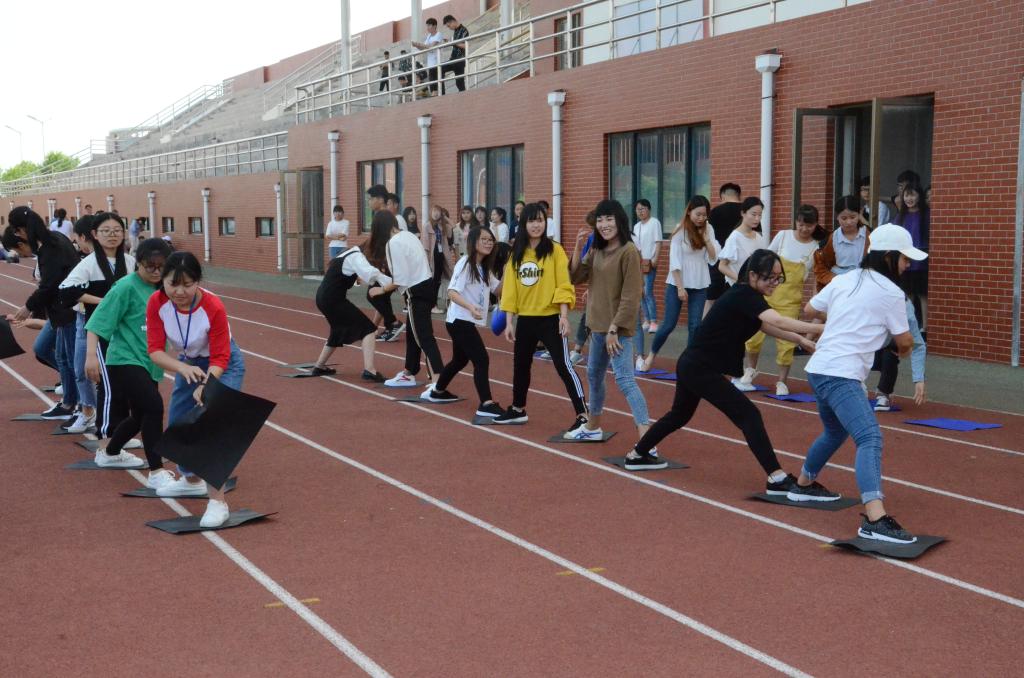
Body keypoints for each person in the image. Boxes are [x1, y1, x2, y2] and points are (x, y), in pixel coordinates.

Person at [624, 250, 824, 477]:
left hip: (693, 365)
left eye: (779, 278)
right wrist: (821, 327)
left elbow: (765, 325)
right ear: (752, 275)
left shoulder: (747, 296)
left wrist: (800, 340)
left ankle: (637, 454)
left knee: (679, 415)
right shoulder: (744, 295)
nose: (775, 283)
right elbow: (778, 321)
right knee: (749, 415)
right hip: (699, 368)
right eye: (770, 277)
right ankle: (776, 476)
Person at [794, 224, 927, 544]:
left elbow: (810, 309)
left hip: (819, 369)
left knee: (835, 432)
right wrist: (895, 346)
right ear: (889, 257)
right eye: (905, 259)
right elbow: (905, 342)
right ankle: (875, 518)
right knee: (870, 437)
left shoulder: (844, 279)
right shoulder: (892, 293)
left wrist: (846, 320)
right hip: (840, 374)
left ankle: (803, 485)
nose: (908, 265)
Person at [145, 251, 246, 527]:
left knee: (211, 428)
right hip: (189, 363)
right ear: (162, 280)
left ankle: (218, 502)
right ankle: (191, 480)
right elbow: (155, 350)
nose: (179, 292)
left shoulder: (213, 306)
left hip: (223, 365)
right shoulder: (156, 303)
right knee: (179, 421)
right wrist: (183, 368)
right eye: (172, 284)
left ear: (198, 281)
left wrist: (206, 386)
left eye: (187, 285)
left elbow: (221, 357)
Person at [84, 238, 176, 489]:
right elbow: (97, 323)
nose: (156, 271)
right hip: (124, 359)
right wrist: (91, 356)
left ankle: (110, 453)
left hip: (151, 361)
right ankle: (156, 472)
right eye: (150, 266)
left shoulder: (166, 288)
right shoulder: (125, 287)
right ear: (138, 263)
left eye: (161, 267)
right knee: (154, 407)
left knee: (139, 416)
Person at [494, 202, 587, 428]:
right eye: (531, 221)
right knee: (520, 365)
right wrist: (509, 322)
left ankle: (583, 414)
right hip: (525, 320)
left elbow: (563, 284)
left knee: (563, 365)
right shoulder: (516, 254)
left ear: (545, 223)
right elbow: (510, 290)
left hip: (550, 319)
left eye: (540, 220)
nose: (536, 225)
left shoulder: (555, 250)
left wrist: (563, 316)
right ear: (523, 224)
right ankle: (518, 409)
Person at [569, 199, 652, 442]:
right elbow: (575, 277)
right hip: (597, 326)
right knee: (594, 376)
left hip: (617, 330)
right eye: (600, 220)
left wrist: (615, 328)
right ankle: (592, 427)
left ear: (619, 221)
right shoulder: (597, 249)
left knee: (625, 381)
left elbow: (631, 295)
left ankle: (647, 439)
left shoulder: (629, 251)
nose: (604, 224)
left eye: (609, 219)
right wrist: (578, 247)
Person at [58, 214, 135, 435]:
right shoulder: (89, 264)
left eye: (117, 230)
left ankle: (120, 433)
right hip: (102, 333)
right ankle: (107, 435)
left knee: (125, 385)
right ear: (95, 235)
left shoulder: (130, 262)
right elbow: (66, 292)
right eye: (106, 231)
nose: (112, 235)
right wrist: (104, 302)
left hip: (127, 333)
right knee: (108, 385)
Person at [3, 207, 79, 420]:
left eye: (17, 232)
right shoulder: (56, 240)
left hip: (68, 310)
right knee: (63, 357)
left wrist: (27, 307)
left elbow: (50, 285)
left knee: (70, 360)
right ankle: (71, 403)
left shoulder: (50, 247)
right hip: (63, 311)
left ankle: (80, 406)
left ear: (22, 230)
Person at [739, 204, 823, 394]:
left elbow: (815, 277)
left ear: (815, 225)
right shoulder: (783, 236)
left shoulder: (816, 247)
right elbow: (765, 260)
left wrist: (814, 299)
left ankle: (782, 381)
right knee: (753, 334)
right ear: (796, 222)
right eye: (801, 224)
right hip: (767, 294)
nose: (804, 229)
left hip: (791, 300)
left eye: (809, 225)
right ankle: (750, 370)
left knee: (786, 343)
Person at [425, 226, 505, 416]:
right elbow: (452, 292)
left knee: (460, 360)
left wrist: (508, 270)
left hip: (464, 321)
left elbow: (498, 290)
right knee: (481, 359)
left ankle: (438, 391)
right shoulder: (466, 263)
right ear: (474, 242)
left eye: (490, 240)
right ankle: (486, 404)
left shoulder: (484, 267)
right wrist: (470, 307)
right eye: (484, 239)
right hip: (459, 321)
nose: (488, 243)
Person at [370, 211, 446, 389]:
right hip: (426, 286)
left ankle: (438, 382)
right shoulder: (409, 235)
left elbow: (400, 279)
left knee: (424, 336)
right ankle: (408, 373)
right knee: (413, 333)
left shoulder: (393, 243)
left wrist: (380, 289)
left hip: (416, 292)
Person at [642, 195, 717, 372]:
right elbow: (674, 262)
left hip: (700, 282)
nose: (701, 218)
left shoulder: (709, 229)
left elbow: (713, 257)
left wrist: (706, 239)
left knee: (695, 326)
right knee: (669, 324)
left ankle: (688, 364)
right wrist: (680, 288)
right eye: (698, 214)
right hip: (677, 282)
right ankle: (651, 355)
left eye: (704, 215)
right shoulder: (680, 230)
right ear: (689, 211)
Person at [308, 228, 392, 381]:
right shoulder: (356, 256)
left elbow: (350, 276)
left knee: (337, 330)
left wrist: (359, 279)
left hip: (323, 297)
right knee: (369, 329)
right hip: (333, 299)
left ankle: (319, 366)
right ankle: (370, 370)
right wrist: (395, 283)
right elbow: (372, 274)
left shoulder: (348, 253)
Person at [891, 181, 929, 331]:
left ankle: (925, 328)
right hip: (905, 260)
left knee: (923, 295)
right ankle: (908, 327)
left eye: (912, 195)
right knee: (908, 294)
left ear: (919, 196)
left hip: (922, 261)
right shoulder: (901, 216)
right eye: (906, 195)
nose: (909, 199)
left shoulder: (926, 215)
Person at [813, 195, 868, 289]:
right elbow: (821, 267)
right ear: (837, 217)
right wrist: (835, 279)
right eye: (844, 218)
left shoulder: (870, 236)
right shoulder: (830, 240)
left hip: (864, 285)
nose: (849, 222)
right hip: (838, 286)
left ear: (859, 214)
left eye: (853, 217)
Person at [706, 183, 742, 314]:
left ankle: (704, 326)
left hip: (718, 261)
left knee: (711, 299)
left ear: (722, 196)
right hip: (741, 264)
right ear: (738, 195)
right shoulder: (749, 213)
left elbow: (708, 237)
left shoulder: (715, 212)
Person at [631, 199, 662, 354]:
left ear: (649, 209)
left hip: (650, 261)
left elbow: (658, 242)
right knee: (641, 292)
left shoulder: (654, 223)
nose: (640, 212)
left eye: (642, 209)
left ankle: (654, 321)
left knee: (648, 291)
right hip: (639, 262)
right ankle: (647, 320)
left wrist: (656, 258)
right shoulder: (636, 226)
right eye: (638, 209)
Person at [424, 204, 455, 314]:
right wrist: (427, 261)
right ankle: (432, 305)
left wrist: (445, 217)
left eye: (438, 211)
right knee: (433, 281)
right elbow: (425, 245)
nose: (436, 213)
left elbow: (453, 227)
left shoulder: (442, 226)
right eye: (434, 211)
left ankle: (433, 305)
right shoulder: (427, 226)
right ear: (430, 213)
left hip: (441, 256)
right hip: (432, 257)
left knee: (437, 281)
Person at [411, 17, 446, 95]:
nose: (427, 27)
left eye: (429, 25)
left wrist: (419, 44)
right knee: (432, 85)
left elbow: (431, 46)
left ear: (434, 26)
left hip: (438, 63)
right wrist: (416, 45)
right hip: (431, 64)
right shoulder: (429, 36)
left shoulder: (438, 34)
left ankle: (442, 98)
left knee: (439, 84)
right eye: (427, 26)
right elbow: (423, 48)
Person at [442, 15, 469, 94]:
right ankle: (442, 93)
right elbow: (456, 44)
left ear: (452, 21)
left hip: (460, 60)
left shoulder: (464, 30)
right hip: (453, 59)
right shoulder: (455, 31)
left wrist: (453, 42)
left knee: (459, 83)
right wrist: (449, 42)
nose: (449, 28)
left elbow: (465, 45)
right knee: (440, 69)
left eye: (449, 26)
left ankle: (464, 97)